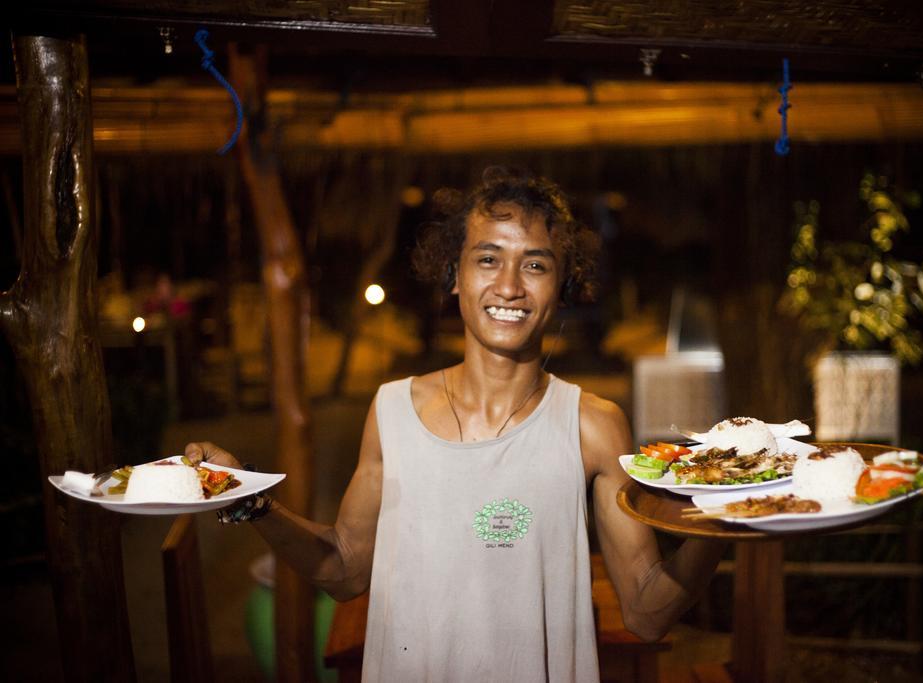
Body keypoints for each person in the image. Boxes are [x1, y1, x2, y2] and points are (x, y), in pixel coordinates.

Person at [188, 167, 725, 682]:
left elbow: (647, 613)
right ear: (454, 276)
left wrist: (725, 517)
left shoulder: (591, 426)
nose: (510, 286)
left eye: (535, 265)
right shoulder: (393, 411)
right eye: (488, 259)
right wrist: (248, 497)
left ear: (561, 287)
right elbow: (345, 570)